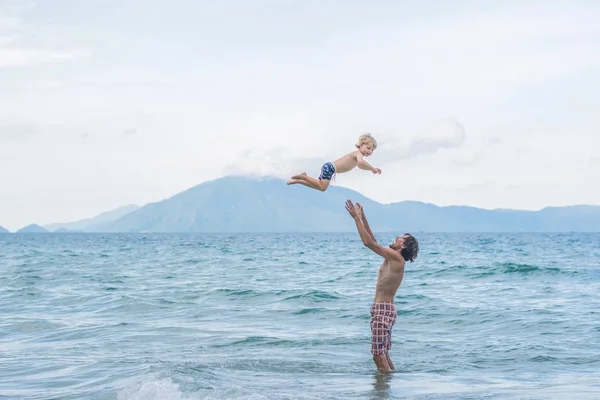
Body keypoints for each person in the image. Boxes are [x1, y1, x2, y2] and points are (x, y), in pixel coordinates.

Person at [344, 199, 419, 373]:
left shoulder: (397, 259)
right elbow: (373, 240)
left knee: (378, 354)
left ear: (404, 245)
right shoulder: (392, 257)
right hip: (383, 308)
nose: (398, 237)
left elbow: (368, 243)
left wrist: (356, 219)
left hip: (383, 309)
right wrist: (363, 218)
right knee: (383, 352)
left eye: (401, 237)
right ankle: (389, 384)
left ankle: (382, 390)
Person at [286, 133, 382, 191]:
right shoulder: (358, 154)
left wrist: (370, 170)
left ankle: (301, 180)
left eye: (372, 150)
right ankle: (304, 177)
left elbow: (360, 166)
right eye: (368, 148)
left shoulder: (358, 157)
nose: (370, 151)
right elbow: (361, 163)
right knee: (322, 188)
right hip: (330, 168)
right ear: (361, 145)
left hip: (330, 168)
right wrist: (372, 168)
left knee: (320, 187)